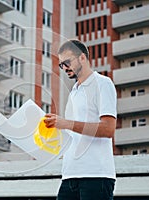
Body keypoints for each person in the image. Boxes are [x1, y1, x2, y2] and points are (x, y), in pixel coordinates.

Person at [44, 39, 117, 200]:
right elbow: (75, 132)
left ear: (82, 58)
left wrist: (66, 123)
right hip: (70, 175)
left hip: (96, 176)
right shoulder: (74, 92)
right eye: (61, 65)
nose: (64, 68)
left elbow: (108, 128)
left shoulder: (103, 84)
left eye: (67, 62)